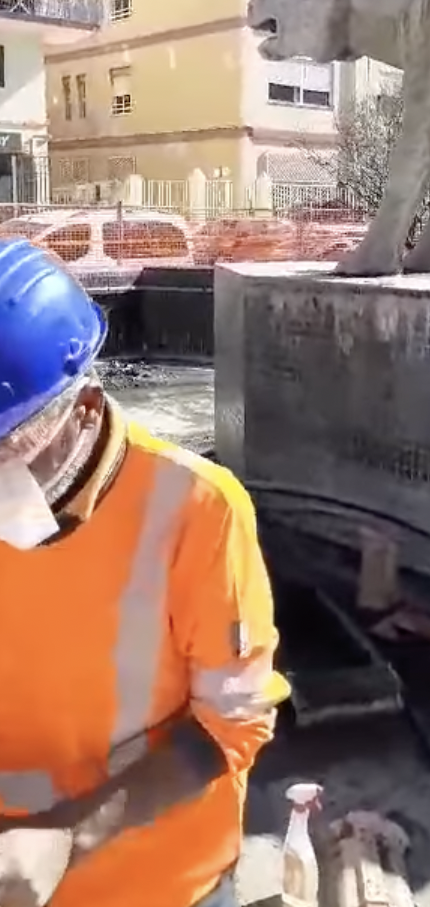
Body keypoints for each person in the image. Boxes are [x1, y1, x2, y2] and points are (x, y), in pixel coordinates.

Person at [0, 239, 291, 907]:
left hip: (163, 885)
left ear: (84, 409)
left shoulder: (196, 509)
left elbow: (233, 723)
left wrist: (65, 838)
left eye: (6, 456)